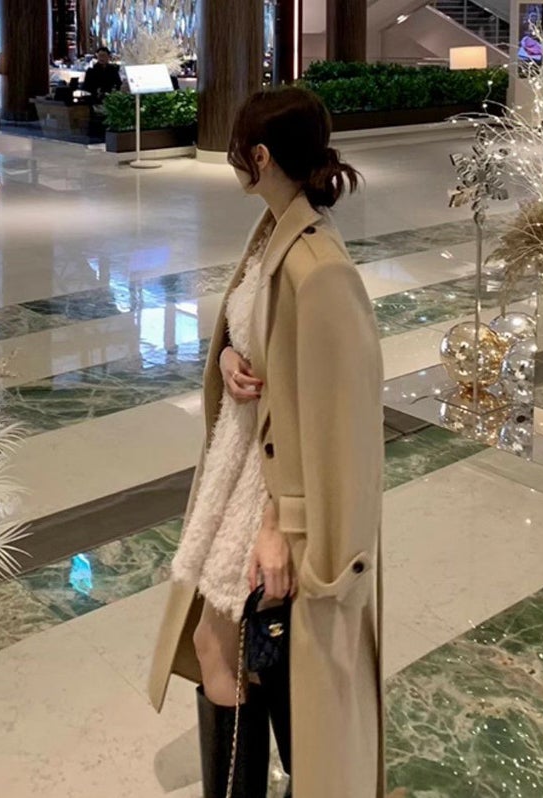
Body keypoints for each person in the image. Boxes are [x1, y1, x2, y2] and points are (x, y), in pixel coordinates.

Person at [149, 87, 385, 798]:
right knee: (231, 651)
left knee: (230, 650)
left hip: (269, 491)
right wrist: (228, 357)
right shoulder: (273, 233)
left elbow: (339, 417)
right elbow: (252, 334)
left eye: (235, 152)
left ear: (259, 157)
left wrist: (282, 525)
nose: (231, 164)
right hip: (240, 467)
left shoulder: (320, 267)